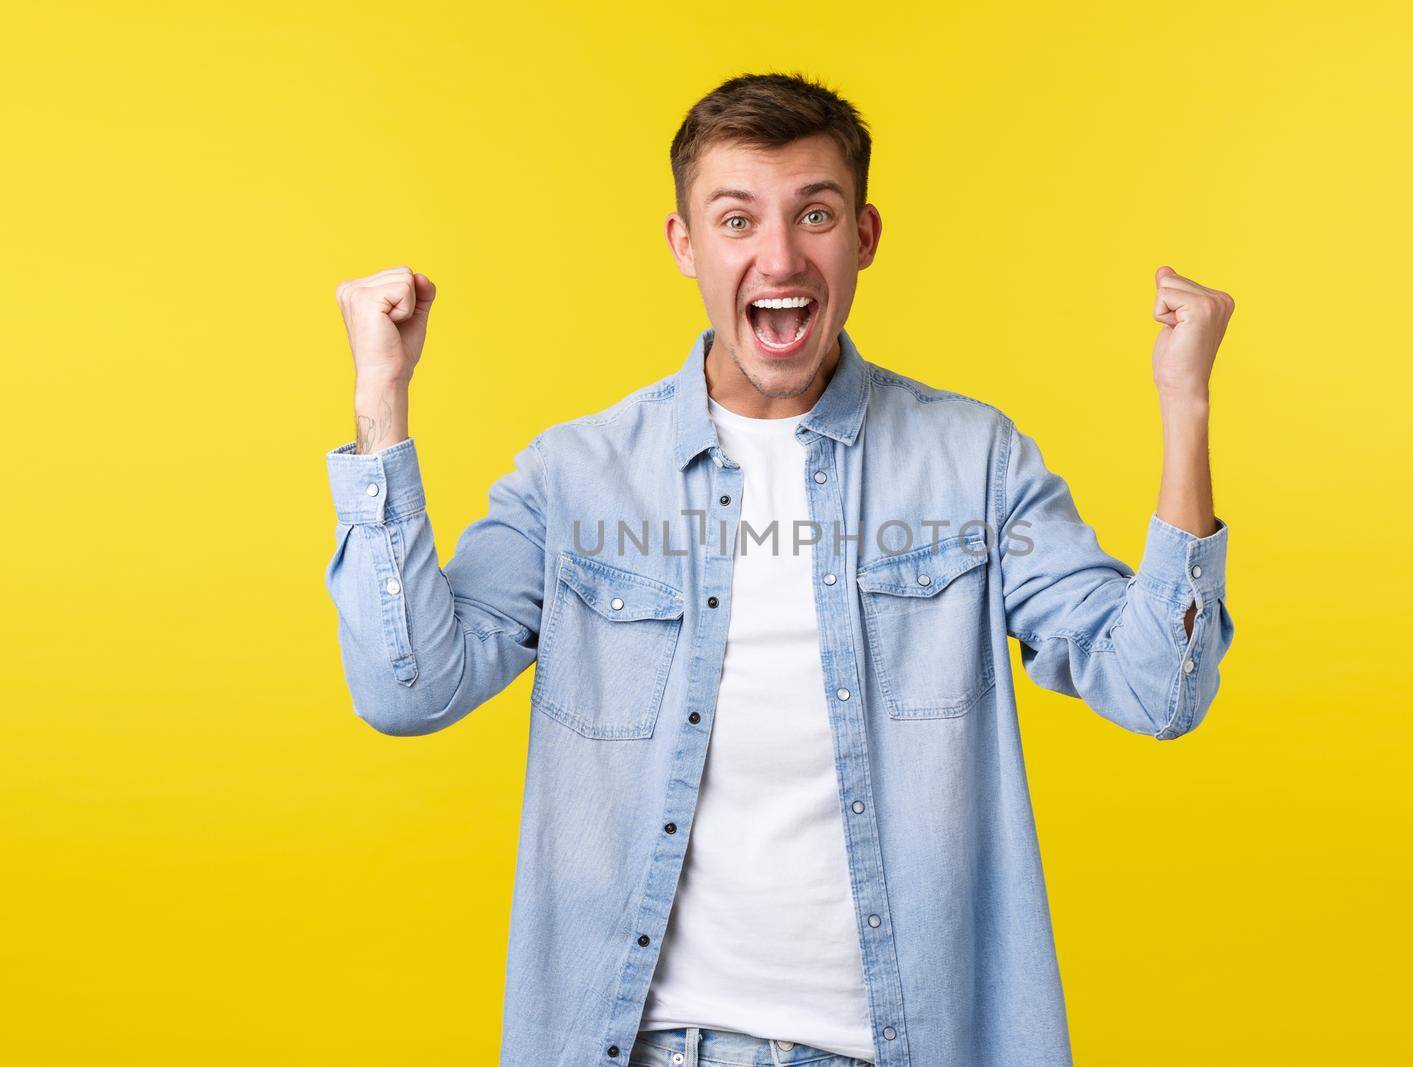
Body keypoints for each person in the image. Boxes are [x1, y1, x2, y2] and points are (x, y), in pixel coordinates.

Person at [323, 71, 1236, 1067]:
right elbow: (407, 687)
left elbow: (1159, 687)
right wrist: (382, 395)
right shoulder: (576, 476)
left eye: (815, 213)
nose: (780, 254)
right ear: (685, 244)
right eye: (736, 218)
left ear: (864, 238)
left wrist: (1182, 404)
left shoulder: (973, 463)